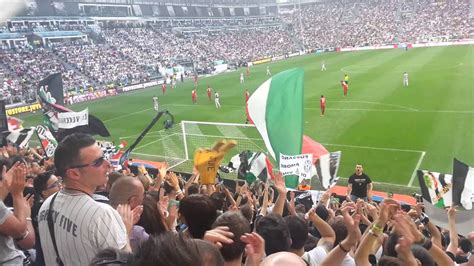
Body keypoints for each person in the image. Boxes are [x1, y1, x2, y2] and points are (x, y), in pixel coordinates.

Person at [38, 133, 131, 265]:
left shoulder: (46, 205)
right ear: (74, 173)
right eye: (98, 162)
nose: (108, 164)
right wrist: (125, 232)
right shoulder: (102, 215)